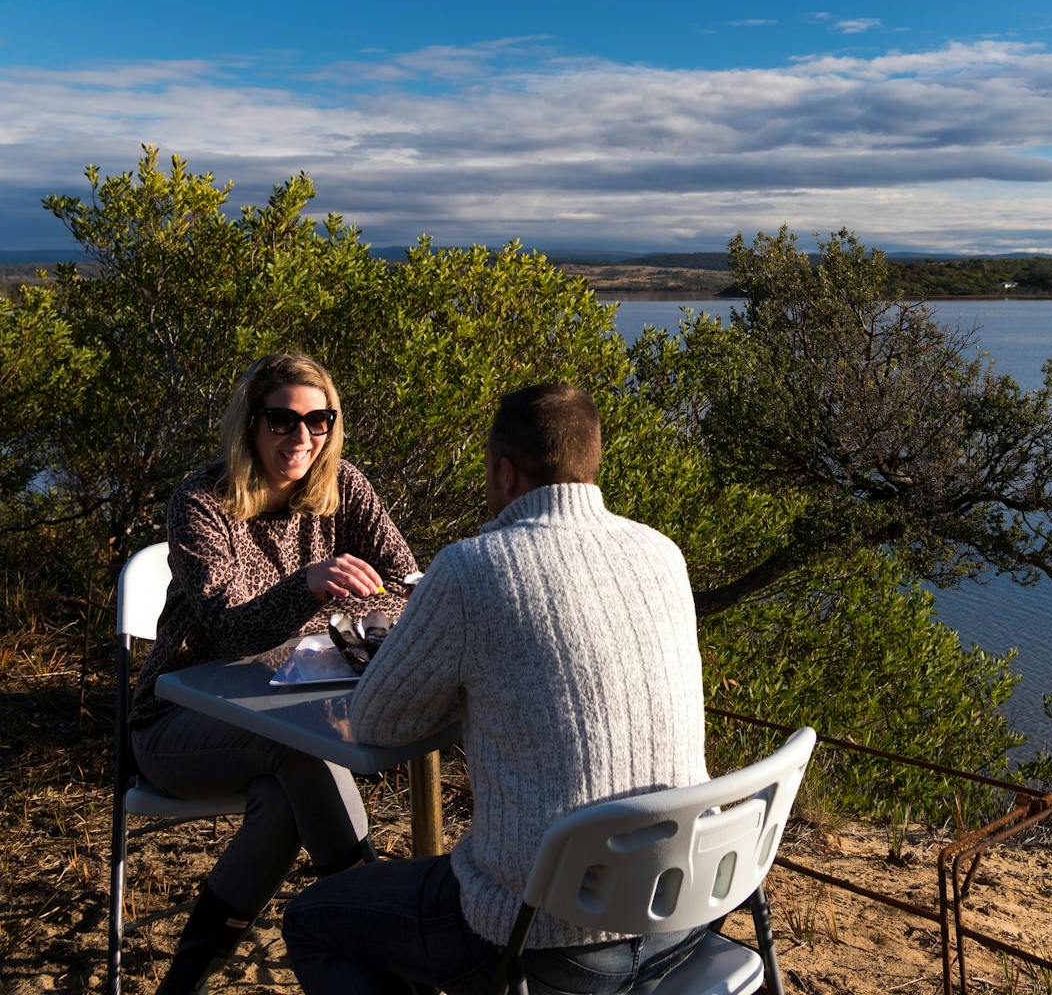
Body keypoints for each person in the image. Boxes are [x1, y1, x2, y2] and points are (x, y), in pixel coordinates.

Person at [283, 383, 708, 995]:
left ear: (505, 474)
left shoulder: (473, 568)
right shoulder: (662, 553)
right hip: (679, 911)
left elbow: (374, 723)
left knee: (312, 920)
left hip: (544, 936)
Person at [130, 353, 417, 994]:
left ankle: (182, 984)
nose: (302, 438)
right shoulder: (201, 504)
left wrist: (339, 602)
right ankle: (375, 930)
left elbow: (406, 583)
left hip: (282, 711)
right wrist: (311, 587)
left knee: (287, 805)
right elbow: (230, 627)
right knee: (306, 759)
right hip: (177, 719)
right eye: (282, 420)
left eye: (318, 421)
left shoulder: (346, 488)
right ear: (250, 424)